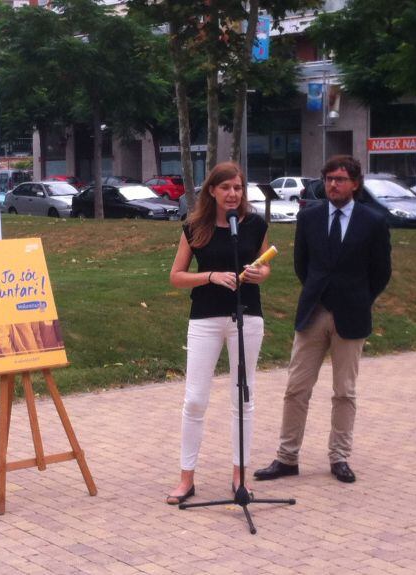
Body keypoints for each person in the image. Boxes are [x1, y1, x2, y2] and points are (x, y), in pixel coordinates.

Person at [254, 155, 391, 484]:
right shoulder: (309, 217)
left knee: (344, 391)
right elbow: (302, 265)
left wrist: (359, 299)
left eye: (340, 179)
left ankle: (339, 457)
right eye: (329, 179)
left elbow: (381, 272)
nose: (333, 185)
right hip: (313, 313)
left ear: (354, 184)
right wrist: (320, 292)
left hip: (352, 315)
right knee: (296, 388)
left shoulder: (373, 221)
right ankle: (287, 457)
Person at [166, 162, 271, 505]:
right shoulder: (195, 227)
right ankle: (186, 478)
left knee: (243, 396)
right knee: (195, 398)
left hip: (247, 315)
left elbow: (265, 267)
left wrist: (259, 273)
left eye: (238, 188)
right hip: (205, 317)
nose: (232, 194)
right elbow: (176, 276)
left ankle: (240, 476)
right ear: (212, 190)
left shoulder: (254, 225)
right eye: (225, 187)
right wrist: (210, 276)